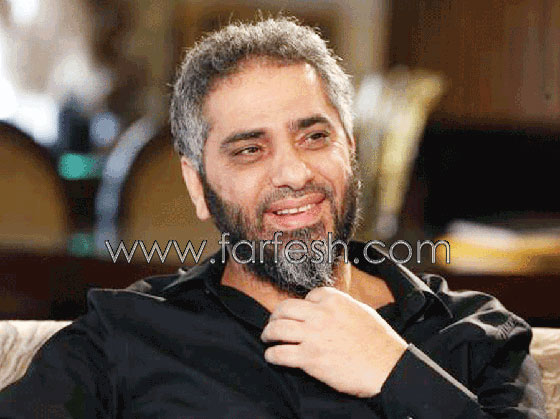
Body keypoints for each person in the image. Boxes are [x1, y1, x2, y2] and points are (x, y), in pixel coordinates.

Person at [0, 17, 546, 418]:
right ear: (197, 185)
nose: (293, 172)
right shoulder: (125, 334)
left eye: (314, 136)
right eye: (249, 150)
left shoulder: (475, 331)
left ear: (351, 152)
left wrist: (395, 372)